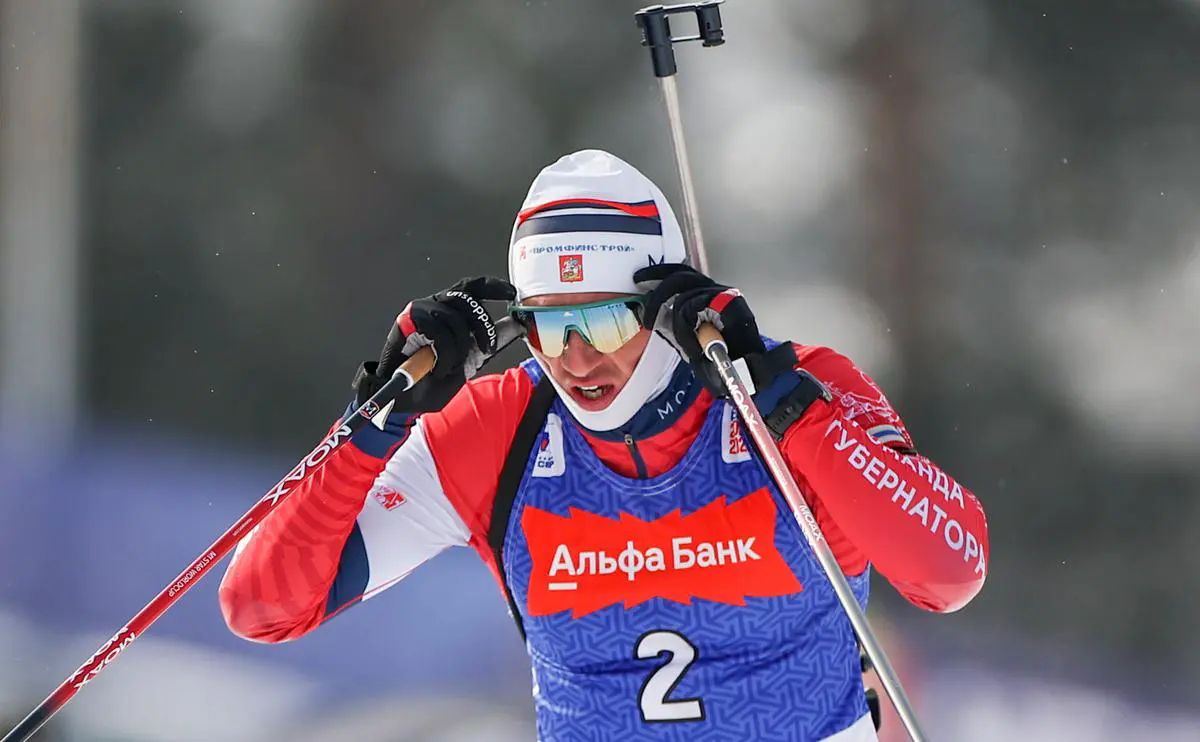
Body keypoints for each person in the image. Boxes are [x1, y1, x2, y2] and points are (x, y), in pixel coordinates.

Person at [219, 149, 989, 742]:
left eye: (605, 321)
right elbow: (262, 605)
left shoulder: (791, 390)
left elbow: (950, 570)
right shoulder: (495, 429)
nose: (577, 359)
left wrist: (787, 405)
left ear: (663, 304)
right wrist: (375, 417)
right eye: (549, 326)